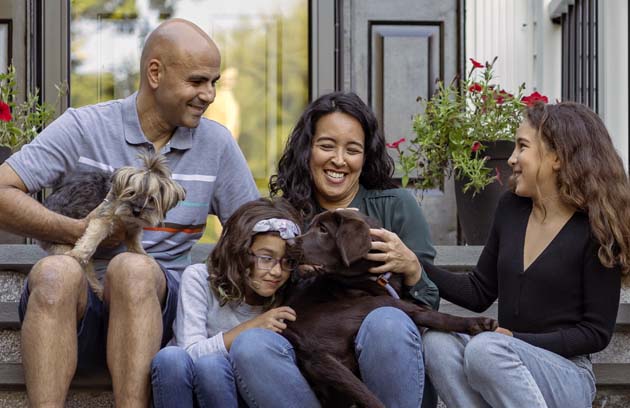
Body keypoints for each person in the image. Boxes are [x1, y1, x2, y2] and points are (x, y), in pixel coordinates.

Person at [0, 19, 258, 407]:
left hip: (154, 313)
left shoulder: (216, 144)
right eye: (197, 81)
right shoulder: (84, 126)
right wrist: (76, 230)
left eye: (213, 82)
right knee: (55, 270)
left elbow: (253, 231)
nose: (208, 95)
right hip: (75, 313)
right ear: (155, 72)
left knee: (132, 269)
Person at [229, 91, 440, 408]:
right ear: (307, 150)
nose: (339, 160)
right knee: (251, 346)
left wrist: (412, 268)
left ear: (365, 157)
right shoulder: (284, 216)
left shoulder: (396, 207)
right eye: (327, 145)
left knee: (386, 322)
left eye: (352, 150)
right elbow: (263, 299)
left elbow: (429, 306)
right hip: (314, 370)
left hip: (387, 367)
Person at [422, 101, 630, 407]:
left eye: (522, 147)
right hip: (502, 359)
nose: (511, 158)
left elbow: (595, 333)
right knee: (436, 342)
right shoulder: (510, 209)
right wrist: (416, 267)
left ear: (558, 156)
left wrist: (513, 341)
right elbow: (479, 291)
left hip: (567, 373)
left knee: (485, 351)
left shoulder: (596, 227)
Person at [151, 197, 302, 408]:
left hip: (238, 394)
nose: (277, 271)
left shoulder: (288, 297)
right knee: (170, 357)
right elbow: (189, 353)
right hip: (185, 388)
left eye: (287, 261)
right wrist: (251, 327)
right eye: (266, 258)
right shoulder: (200, 278)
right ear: (239, 252)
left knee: (211, 366)